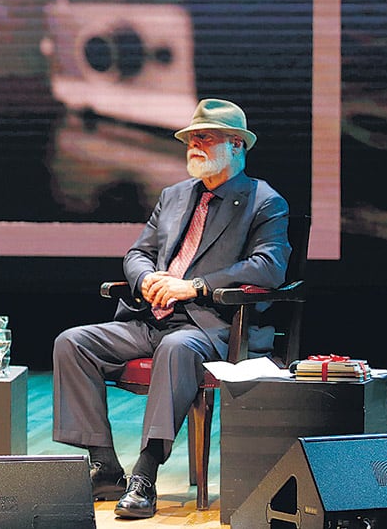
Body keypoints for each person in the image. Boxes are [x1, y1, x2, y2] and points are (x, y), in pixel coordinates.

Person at [52, 98, 290, 519]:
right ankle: (105, 465)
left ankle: (145, 475)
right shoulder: (175, 196)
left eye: (205, 137)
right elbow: (138, 252)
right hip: (151, 318)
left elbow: (268, 267)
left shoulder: (264, 202)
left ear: (237, 145)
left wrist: (193, 287)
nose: (193, 145)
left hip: (212, 326)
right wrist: (145, 280)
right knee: (73, 342)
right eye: (190, 138)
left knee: (176, 348)